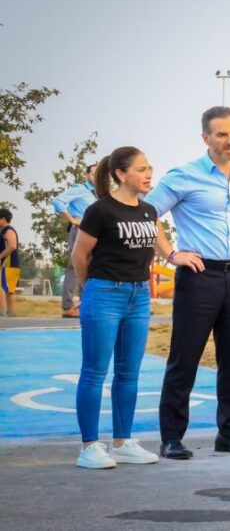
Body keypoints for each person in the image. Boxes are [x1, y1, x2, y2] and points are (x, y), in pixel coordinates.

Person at [144, 106, 230, 460]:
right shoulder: (184, 175)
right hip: (198, 277)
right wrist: (171, 254)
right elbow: (146, 213)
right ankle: (172, 437)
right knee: (185, 359)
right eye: (222, 134)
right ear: (205, 137)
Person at [71, 147, 183, 468]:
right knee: (94, 372)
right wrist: (92, 289)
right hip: (104, 293)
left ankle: (121, 442)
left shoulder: (149, 211)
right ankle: (89, 446)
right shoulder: (100, 211)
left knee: (128, 372)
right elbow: (79, 255)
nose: (149, 174)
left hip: (139, 296)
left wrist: (177, 256)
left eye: (150, 168)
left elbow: (161, 248)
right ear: (121, 174)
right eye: (141, 169)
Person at [52, 164, 98, 317]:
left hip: (94, 232)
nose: (97, 176)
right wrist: (72, 219)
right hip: (79, 230)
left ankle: (85, 305)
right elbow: (58, 201)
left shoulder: (99, 194)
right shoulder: (80, 189)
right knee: (74, 266)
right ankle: (68, 306)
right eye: (94, 173)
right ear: (87, 175)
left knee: (91, 267)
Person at [0, 208, 19, 317]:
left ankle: (3, 312)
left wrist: (1, 256)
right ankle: (10, 313)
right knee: (9, 289)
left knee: (4, 288)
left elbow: (12, 246)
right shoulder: (4, 231)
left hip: (9, 264)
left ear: (3, 219)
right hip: (9, 265)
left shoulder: (8, 230)